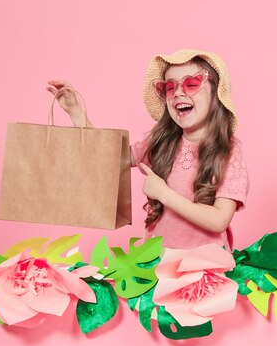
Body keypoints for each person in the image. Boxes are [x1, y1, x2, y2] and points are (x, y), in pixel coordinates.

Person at [46, 49, 249, 250]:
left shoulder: (229, 150)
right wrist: (74, 111)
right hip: (157, 263)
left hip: (205, 267)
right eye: (170, 87)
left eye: (191, 84)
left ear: (215, 94)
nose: (178, 92)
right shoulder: (161, 142)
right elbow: (107, 157)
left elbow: (219, 220)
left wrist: (163, 194)